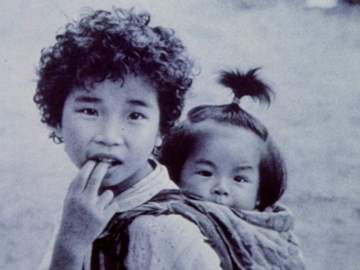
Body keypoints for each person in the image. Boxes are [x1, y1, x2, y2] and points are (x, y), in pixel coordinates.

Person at [35, 7, 223, 270]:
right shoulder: (79, 207)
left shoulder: (176, 233)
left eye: (134, 115)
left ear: (161, 130)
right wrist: (70, 242)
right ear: (56, 121)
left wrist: (70, 243)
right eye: (90, 111)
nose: (110, 137)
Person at [156, 68, 307, 269]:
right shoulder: (176, 220)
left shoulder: (275, 232)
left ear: (260, 193)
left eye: (239, 179)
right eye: (205, 173)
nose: (221, 188)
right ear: (176, 174)